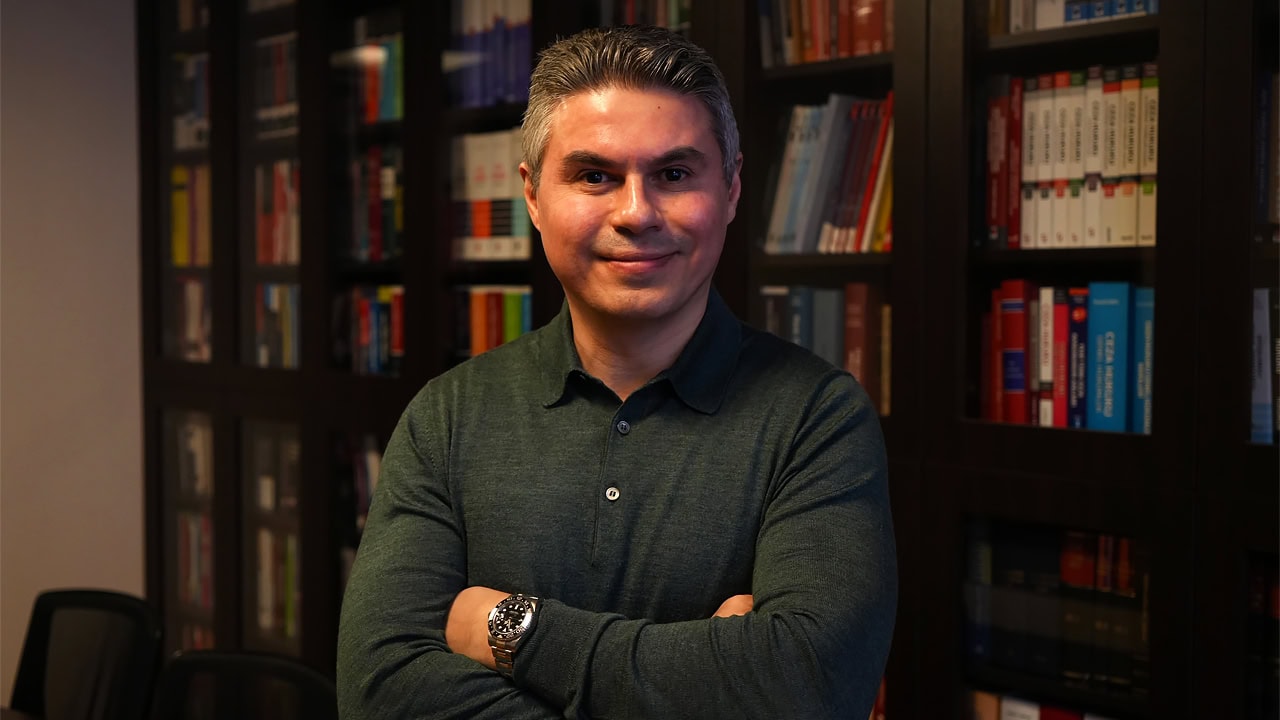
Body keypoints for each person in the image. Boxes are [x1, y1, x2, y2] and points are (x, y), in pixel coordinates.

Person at [336, 24, 897, 720]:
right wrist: (706, 679)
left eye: (674, 174)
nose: (636, 213)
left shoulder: (819, 417)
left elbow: (808, 688)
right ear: (533, 195)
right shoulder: (446, 417)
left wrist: (512, 629)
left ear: (730, 188)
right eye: (595, 176)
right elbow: (380, 692)